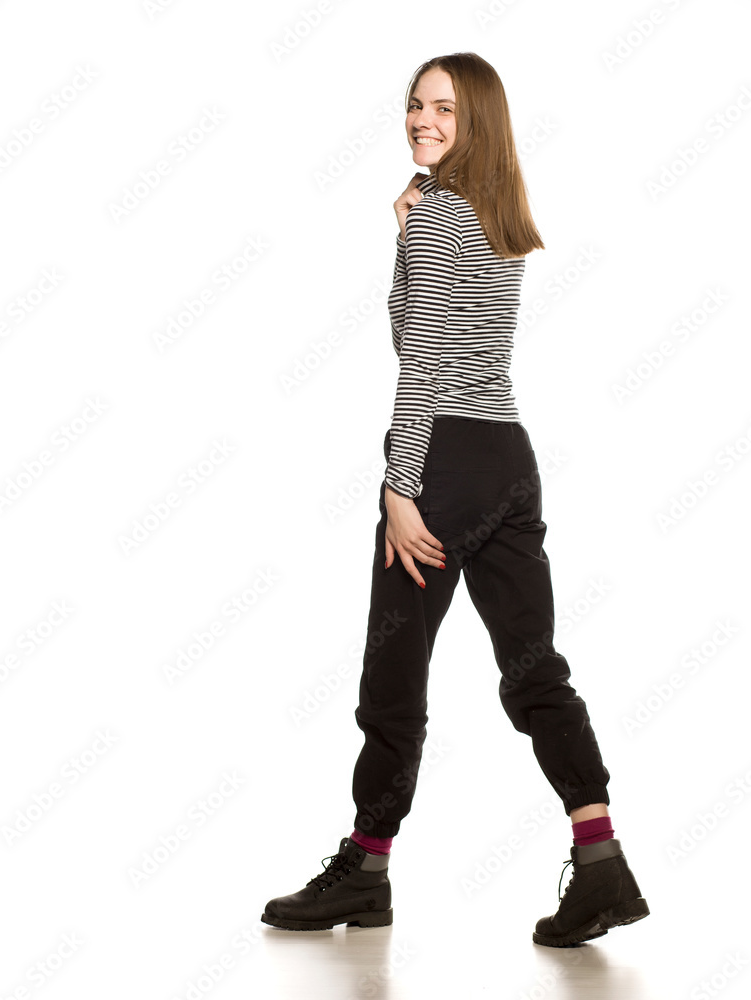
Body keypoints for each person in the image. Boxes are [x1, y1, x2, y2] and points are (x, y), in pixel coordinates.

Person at [261, 52, 650, 946]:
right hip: (508, 460)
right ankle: (601, 863)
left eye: (440, 107)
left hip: (440, 460)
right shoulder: (501, 214)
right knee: (533, 669)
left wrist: (400, 486)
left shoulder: (437, 216)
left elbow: (422, 360)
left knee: (392, 681)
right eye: (413, 104)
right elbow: (450, 344)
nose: (419, 119)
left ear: (475, 118)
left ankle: (364, 870)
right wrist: (408, 227)